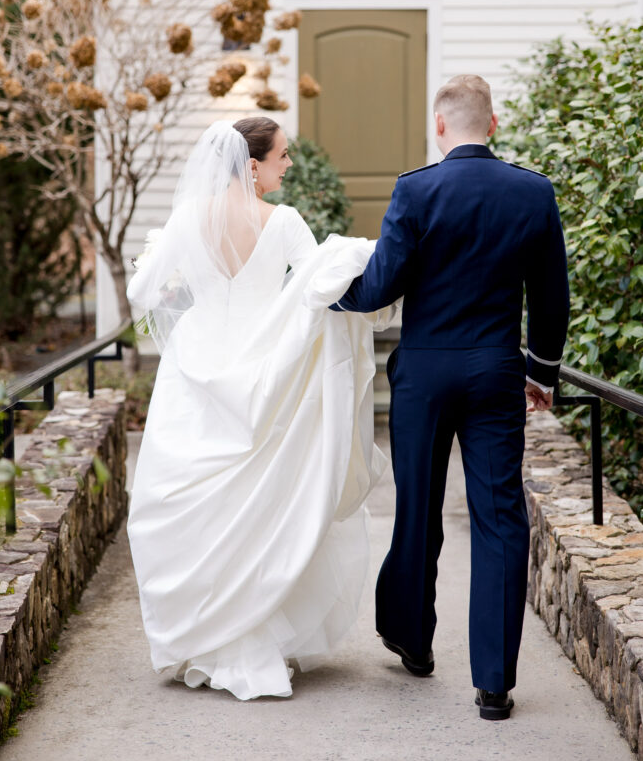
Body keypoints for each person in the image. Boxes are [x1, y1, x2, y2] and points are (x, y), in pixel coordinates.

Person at [125, 117, 394, 701]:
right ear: (252, 166)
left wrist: (176, 280)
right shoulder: (287, 222)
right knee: (264, 502)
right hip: (264, 365)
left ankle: (204, 635)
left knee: (198, 503)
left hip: (196, 368)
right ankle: (256, 631)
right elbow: (325, 282)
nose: (288, 166)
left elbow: (141, 294)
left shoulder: (187, 217)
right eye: (282, 157)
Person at [331, 74, 569, 720]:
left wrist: (326, 294)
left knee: (419, 508)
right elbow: (551, 297)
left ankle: (412, 638)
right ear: (491, 124)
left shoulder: (415, 189)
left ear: (440, 126)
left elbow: (380, 283)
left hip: (424, 378)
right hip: (496, 372)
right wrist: (541, 372)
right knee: (498, 517)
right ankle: (493, 683)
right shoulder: (532, 192)